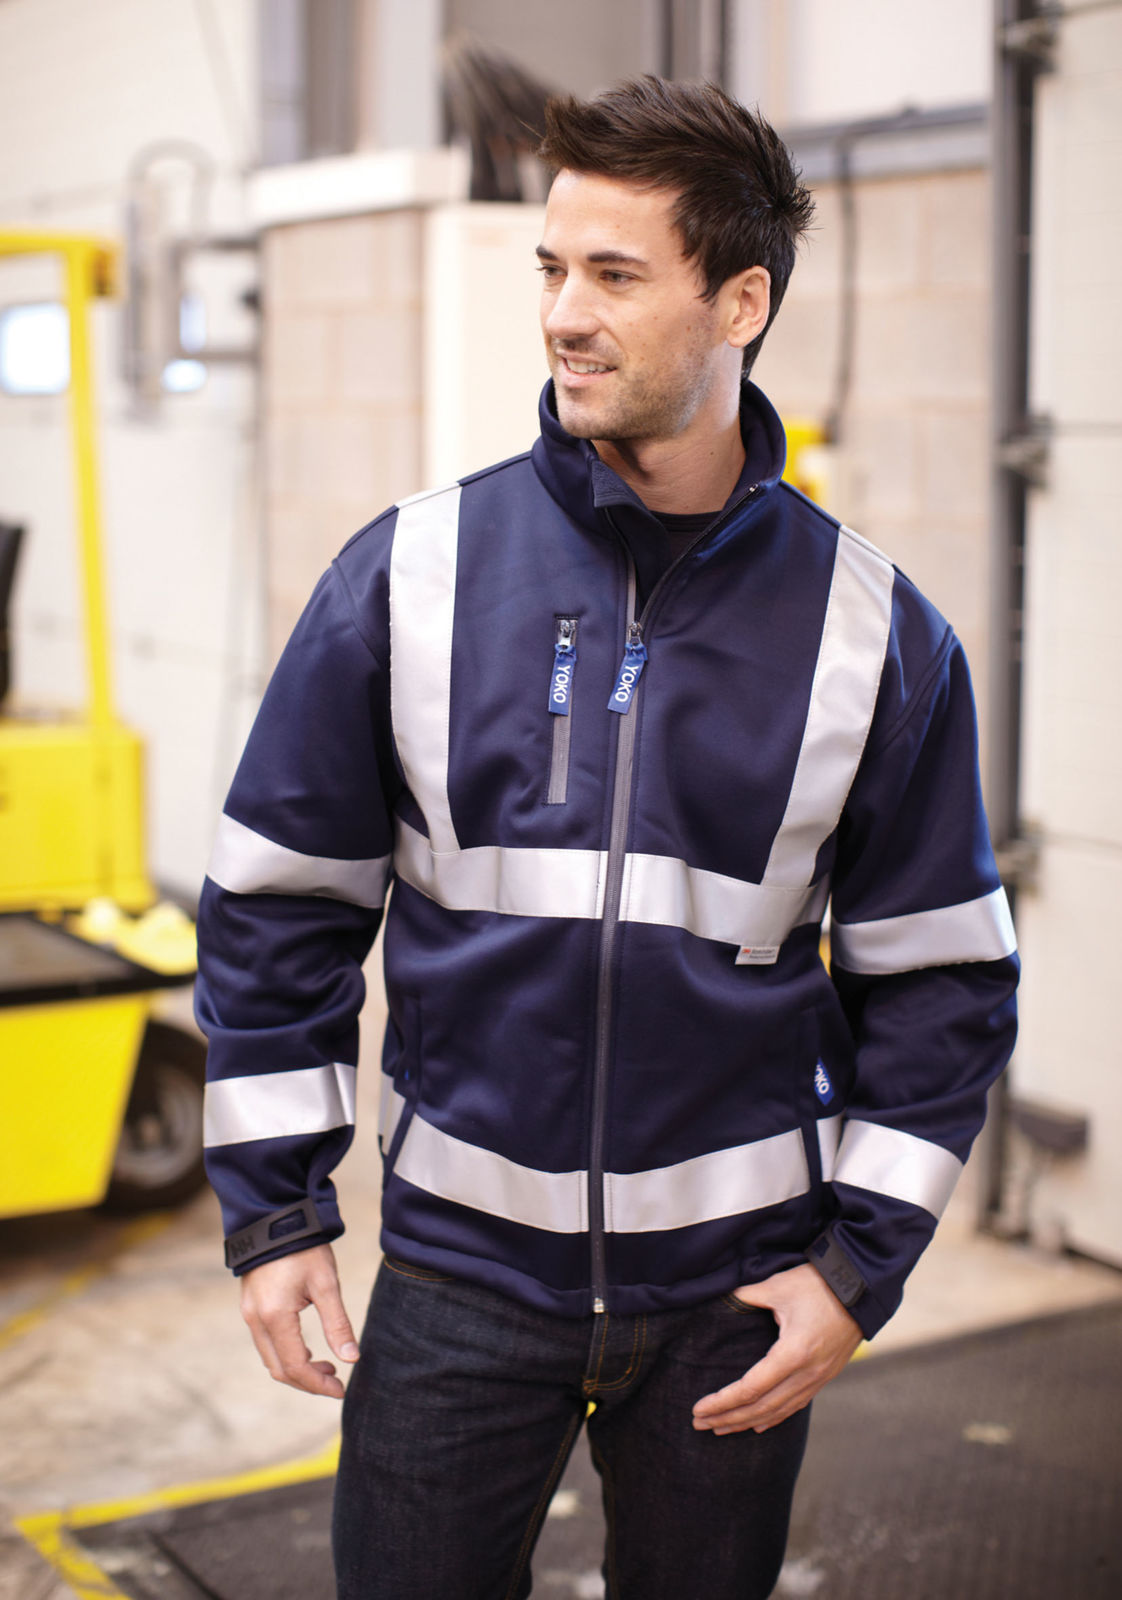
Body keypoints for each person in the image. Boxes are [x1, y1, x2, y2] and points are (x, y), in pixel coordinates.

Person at [196, 75, 1018, 1600]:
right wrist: (275, 1213)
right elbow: (276, 908)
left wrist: (857, 1271)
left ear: (739, 301)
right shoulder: (410, 576)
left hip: (733, 1304)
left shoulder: (875, 636)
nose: (564, 316)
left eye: (615, 276)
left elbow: (943, 980)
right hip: (455, 1287)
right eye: (551, 269)